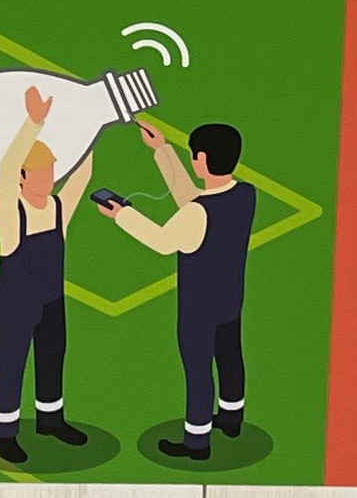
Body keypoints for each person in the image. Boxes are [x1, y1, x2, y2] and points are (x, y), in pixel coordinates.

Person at [97, 117, 254, 467]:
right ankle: (231, 417)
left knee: (198, 369)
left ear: (201, 159)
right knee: (230, 356)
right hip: (230, 299)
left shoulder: (198, 213)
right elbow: (194, 200)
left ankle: (197, 440)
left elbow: (163, 241)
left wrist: (122, 215)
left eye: (193, 156)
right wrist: (162, 150)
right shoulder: (245, 194)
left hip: (199, 307)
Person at [0, 86, 94, 464]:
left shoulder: (58, 207)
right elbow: (5, 168)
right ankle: (4, 433)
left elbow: (82, 175)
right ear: (22, 176)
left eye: (51, 171)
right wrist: (34, 123)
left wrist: (93, 122)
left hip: (51, 301)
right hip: (17, 303)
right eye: (42, 172)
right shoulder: (8, 212)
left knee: (52, 356)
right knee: (11, 360)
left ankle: (51, 420)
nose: (50, 177)